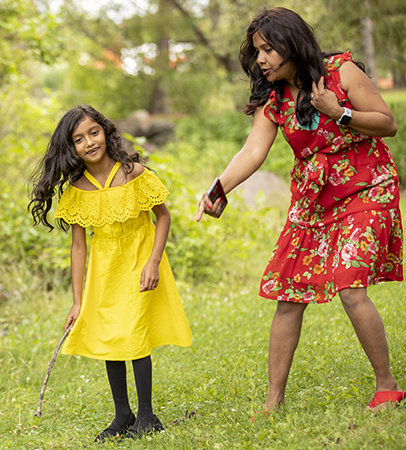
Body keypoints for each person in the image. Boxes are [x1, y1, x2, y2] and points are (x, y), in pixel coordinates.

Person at [196, 7, 404, 413]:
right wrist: (219, 187)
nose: (261, 59)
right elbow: (253, 150)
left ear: (292, 43)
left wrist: (337, 112)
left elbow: (386, 123)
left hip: (367, 185)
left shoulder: (340, 72)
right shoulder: (271, 97)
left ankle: (387, 386)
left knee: (348, 283)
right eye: (257, 51)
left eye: (269, 49)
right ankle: (273, 402)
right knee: (288, 293)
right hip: (315, 198)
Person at [29, 105, 192, 441]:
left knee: (134, 331)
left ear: (105, 131)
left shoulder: (132, 172)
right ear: (70, 147)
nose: (89, 142)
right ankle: (123, 414)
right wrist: (78, 301)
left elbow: (163, 217)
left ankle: (147, 415)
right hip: (105, 269)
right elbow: (78, 247)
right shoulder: (78, 189)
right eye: (78, 139)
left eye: (93, 132)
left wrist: (153, 261)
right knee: (110, 334)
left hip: (140, 258)